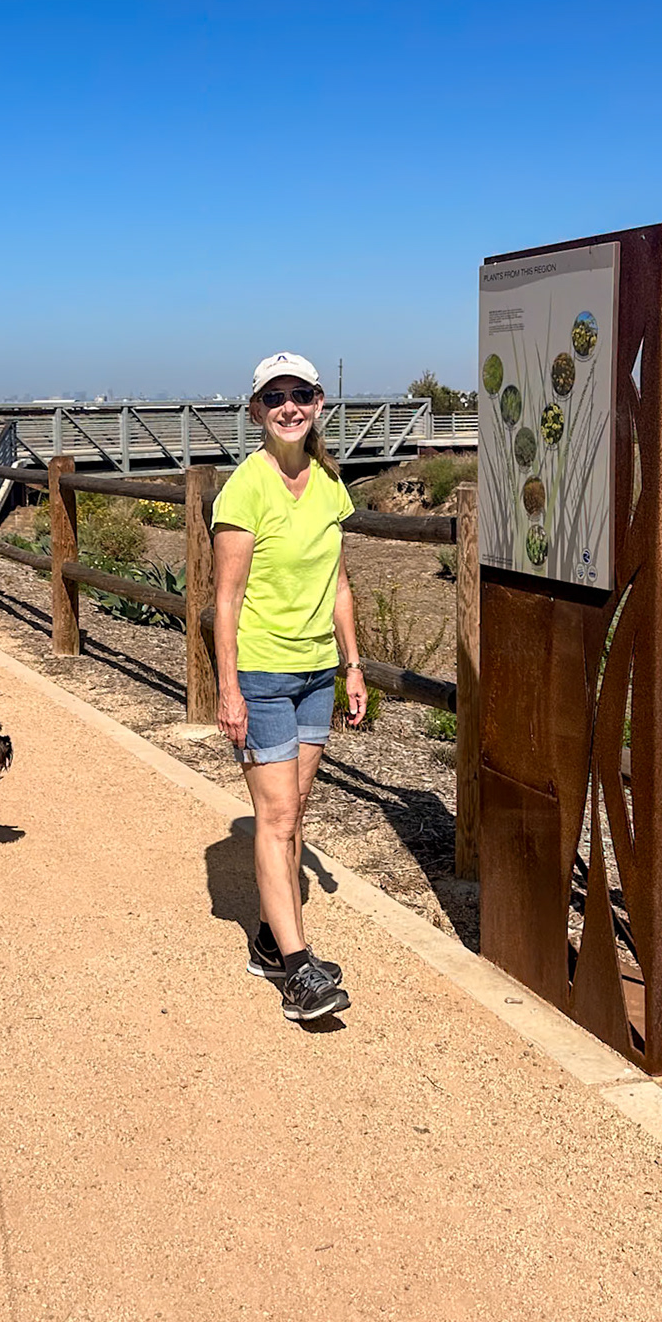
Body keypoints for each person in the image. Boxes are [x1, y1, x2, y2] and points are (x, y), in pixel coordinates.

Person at [211, 352, 366, 1024]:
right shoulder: (245, 488)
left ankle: (275, 941)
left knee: (294, 809)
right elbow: (225, 599)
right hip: (265, 675)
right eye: (274, 397)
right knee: (275, 819)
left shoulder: (331, 482)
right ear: (256, 412)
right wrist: (228, 690)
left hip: (316, 673)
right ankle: (299, 973)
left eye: (300, 393)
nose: (289, 406)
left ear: (320, 403)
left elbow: (336, 581)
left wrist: (353, 661)